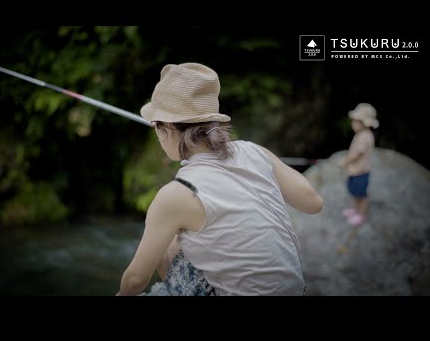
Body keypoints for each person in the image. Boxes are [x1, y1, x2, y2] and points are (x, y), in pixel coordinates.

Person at [116, 63, 323, 296]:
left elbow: (135, 280)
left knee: (168, 240)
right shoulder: (253, 151)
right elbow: (313, 203)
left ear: (169, 128)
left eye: (156, 125)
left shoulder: (176, 195)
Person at [339, 103, 379, 226]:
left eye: (356, 121)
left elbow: (358, 154)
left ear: (364, 123)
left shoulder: (365, 136)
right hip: (355, 171)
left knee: (361, 194)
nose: (353, 123)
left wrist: (346, 161)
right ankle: (355, 210)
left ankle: (361, 215)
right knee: (355, 192)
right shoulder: (361, 134)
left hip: (361, 172)